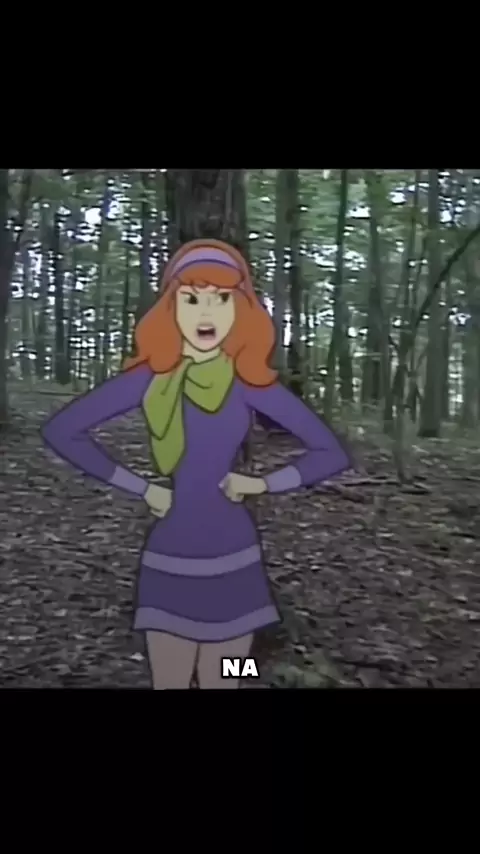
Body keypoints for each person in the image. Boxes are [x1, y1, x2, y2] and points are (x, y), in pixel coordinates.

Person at [42, 238, 352, 689]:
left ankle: (249, 672)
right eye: (191, 299)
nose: (206, 313)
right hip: (170, 554)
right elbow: (63, 431)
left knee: (226, 676)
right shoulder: (149, 377)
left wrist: (261, 484)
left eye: (221, 299)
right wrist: (141, 487)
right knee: (169, 679)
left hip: (235, 557)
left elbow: (330, 452)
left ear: (240, 310)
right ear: (171, 308)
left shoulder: (249, 382)